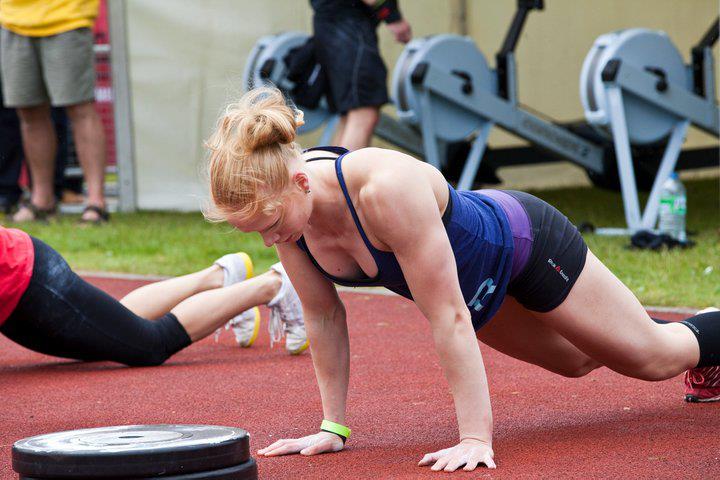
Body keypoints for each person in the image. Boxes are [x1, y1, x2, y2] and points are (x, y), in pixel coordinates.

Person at [204, 87, 720, 472]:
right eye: (258, 234)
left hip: (525, 243)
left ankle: (701, 332)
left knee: (651, 358)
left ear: (299, 182)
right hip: (478, 294)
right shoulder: (291, 222)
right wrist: (331, 427)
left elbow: (448, 315)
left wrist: (475, 437)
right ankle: (650, 328)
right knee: (577, 360)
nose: (271, 242)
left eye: (271, 226)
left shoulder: (384, 188)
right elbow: (322, 315)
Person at [0, 225, 309, 366]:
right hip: (15, 292)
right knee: (111, 334)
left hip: (26, 279)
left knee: (149, 345)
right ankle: (219, 277)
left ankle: (273, 283)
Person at [0, 0, 108, 223]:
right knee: (29, 113)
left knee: (81, 109)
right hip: (12, 20)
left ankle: (96, 203)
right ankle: (42, 200)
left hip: (68, 16)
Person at [310, 0, 412, 150]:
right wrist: (393, 16)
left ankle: (330, 172)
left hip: (331, 30)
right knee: (363, 114)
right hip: (349, 30)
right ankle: (346, 173)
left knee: (349, 117)